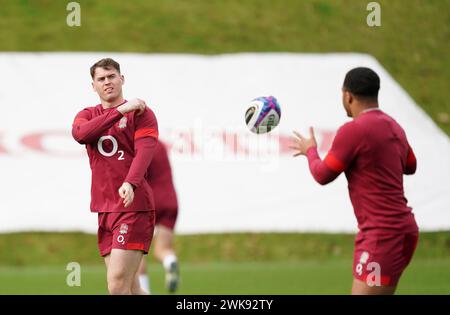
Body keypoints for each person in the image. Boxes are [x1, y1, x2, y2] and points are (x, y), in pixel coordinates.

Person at [290, 67, 419, 295]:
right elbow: (411, 166)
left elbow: (322, 175)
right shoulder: (394, 127)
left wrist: (310, 151)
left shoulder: (353, 131)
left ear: (347, 95)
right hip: (404, 230)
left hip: (382, 235)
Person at [72, 58, 159, 295]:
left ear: (122, 79)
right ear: (93, 86)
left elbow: (145, 152)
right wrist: (120, 110)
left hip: (134, 207)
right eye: (101, 79)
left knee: (117, 284)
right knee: (131, 287)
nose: (107, 82)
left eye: (111, 76)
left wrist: (131, 183)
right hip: (105, 208)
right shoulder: (87, 114)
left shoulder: (142, 114)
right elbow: (81, 134)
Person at [138, 140, 180, 294]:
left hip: (150, 202)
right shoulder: (160, 145)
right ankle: (170, 261)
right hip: (170, 200)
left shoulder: (141, 144)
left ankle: (144, 291)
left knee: (137, 251)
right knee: (162, 248)